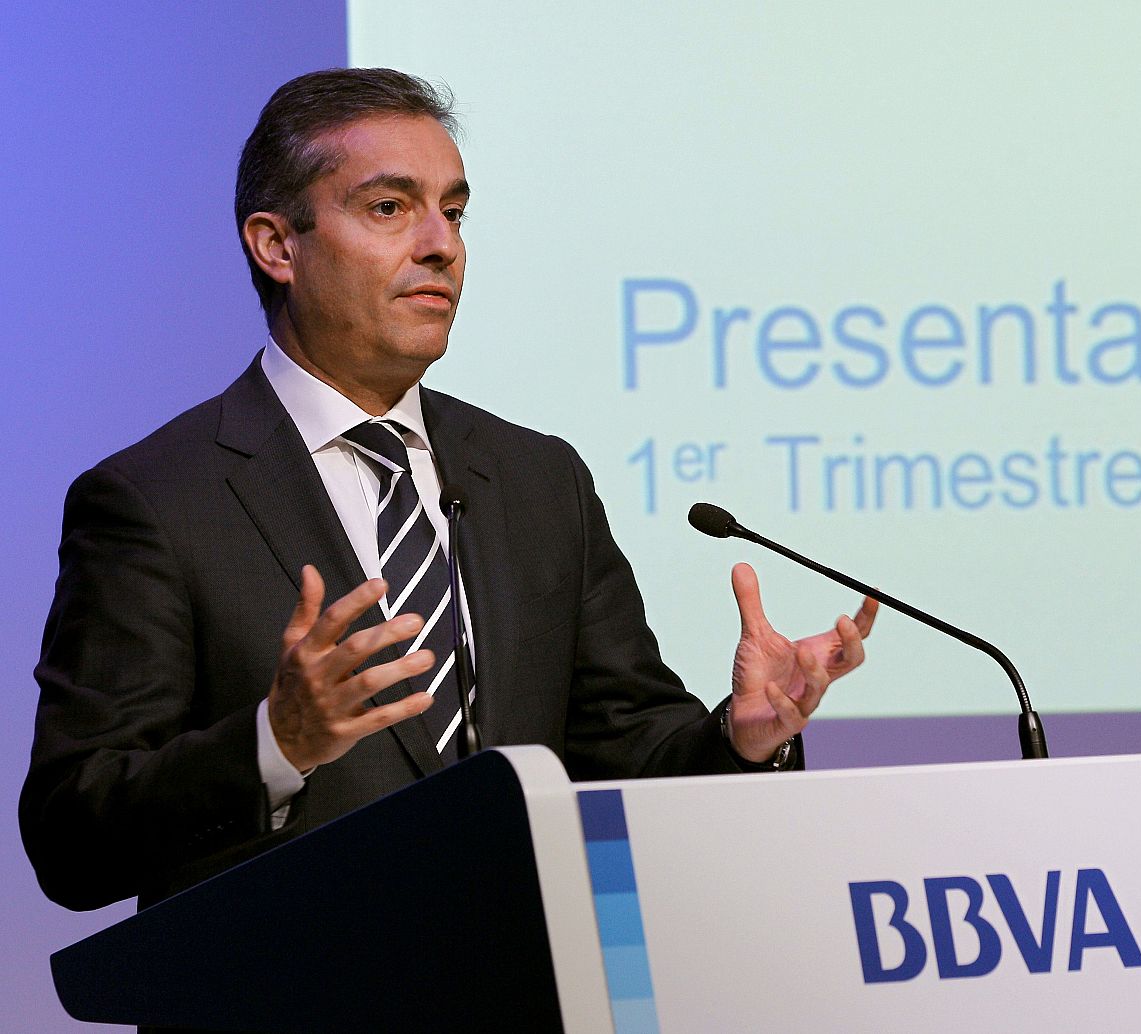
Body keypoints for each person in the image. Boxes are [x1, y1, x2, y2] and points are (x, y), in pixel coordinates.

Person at [20, 67, 877, 912]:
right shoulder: (156, 500)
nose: (442, 244)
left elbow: (629, 752)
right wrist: (276, 743)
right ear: (277, 245)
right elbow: (72, 836)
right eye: (390, 208)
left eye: (454, 211)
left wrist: (740, 735)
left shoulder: (539, 480)